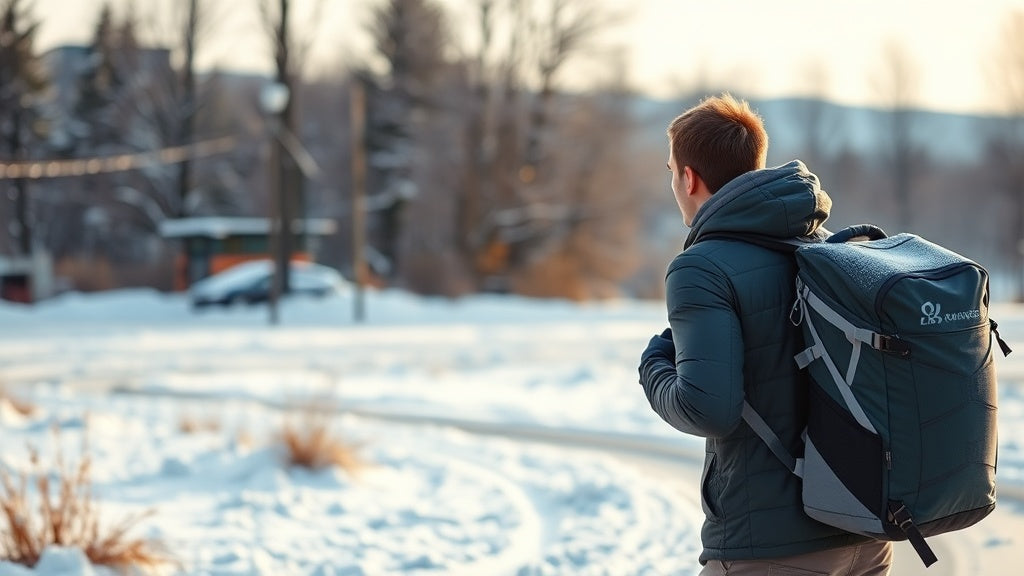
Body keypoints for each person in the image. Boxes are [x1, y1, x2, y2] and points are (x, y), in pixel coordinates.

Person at [637, 94, 893, 575]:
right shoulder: (822, 250)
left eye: (671, 170)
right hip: (863, 535)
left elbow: (706, 408)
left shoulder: (700, 268)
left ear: (688, 178)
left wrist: (653, 367)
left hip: (769, 550)